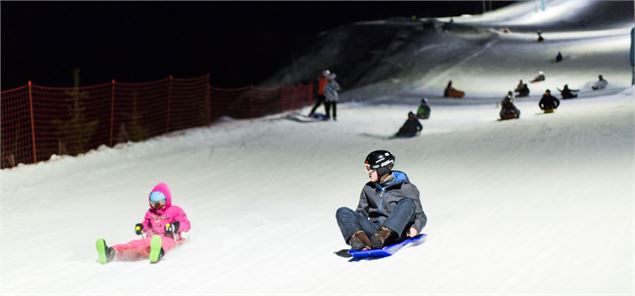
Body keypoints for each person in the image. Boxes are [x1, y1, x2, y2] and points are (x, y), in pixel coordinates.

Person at [335, 150, 427, 250]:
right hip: (374, 235)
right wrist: (356, 228)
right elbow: (360, 214)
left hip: (396, 233)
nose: (368, 173)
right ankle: (362, 241)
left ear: (381, 169)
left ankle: (383, 235)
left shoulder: (406, 188)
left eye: (370, 169)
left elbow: (420, 215)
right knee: (342, 211)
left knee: (407, 203)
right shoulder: (368, 188)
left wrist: (415, 228)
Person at [96, 182, 191, 264]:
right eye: (154, 203)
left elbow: (186, 225)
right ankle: (111, 252)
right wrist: (141, 226)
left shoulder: (174, 210)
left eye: (160, 203)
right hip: (151, 240)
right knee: (135, 244)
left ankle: (159, 252)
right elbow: (146, 223)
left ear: (167, 200)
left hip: (171, 239)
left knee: (165, 242)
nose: (157, 206)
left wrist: (176, 226)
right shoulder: (150, 213)